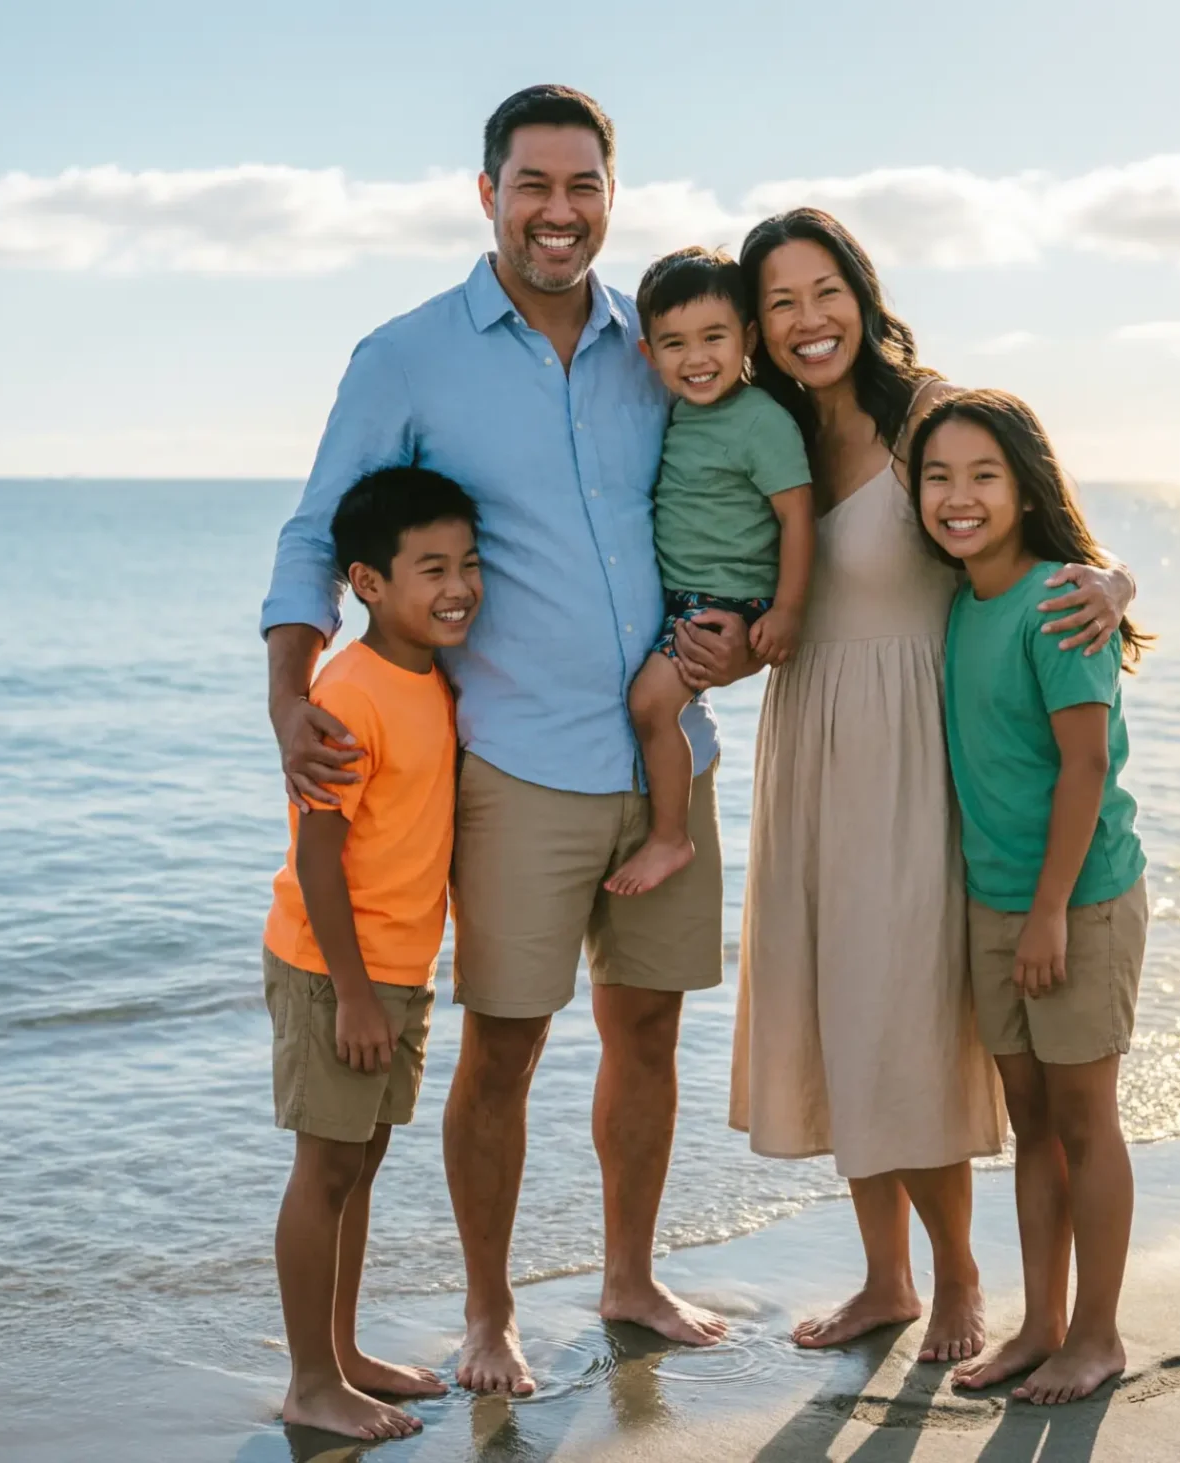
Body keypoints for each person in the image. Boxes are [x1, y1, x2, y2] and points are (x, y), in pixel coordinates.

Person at [260, 84, 753, 1396]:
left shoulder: (658, 347)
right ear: (487, 196)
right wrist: (287, 683)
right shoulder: (407, 356)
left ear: (611, 195)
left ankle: (631, 1277)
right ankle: (488, 1313)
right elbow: (317, 533)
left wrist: (744, 635)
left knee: (647, 1029)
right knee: (505, 1045)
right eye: (533, 184)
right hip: (515, 769)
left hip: (667, 761)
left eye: (583, 185)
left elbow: (750, 492)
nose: (559, 210)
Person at [726, 208, 1138, 1365]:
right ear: (757, 325)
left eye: (826, 291)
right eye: (780, 303)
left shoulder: (925, 416)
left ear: (861, 291)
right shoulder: (765, 435)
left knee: (905, 1010)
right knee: (836, 1001)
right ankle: (883, 1277)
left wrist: (1115, 579)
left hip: (919, 737)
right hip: (807, 734)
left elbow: (1032, 521)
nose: (809, 322)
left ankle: (959, 1277)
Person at [912, 390, 1152, 1404]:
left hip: (1078, 897)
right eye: (936, 477)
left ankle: (1096, 1333)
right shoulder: (961, 599)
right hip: (993, 898)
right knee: (1030, 1117)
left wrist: (1050, 908)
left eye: (982, 475)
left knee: (1085, 1117)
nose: (958, 497)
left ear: (1024, 486)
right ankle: (1040, 1324)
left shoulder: (1062, 599)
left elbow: (1085, 765)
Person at [263, 466, 483, 1441]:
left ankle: (343, 1352)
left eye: (469, 563)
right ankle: (310, 1378)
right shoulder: (347, 690)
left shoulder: (431, 676)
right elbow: (316, 856)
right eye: (430, 567)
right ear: (365, 580)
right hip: (333, 969)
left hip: (398, 968)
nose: (458, 586)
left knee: (360, 1161)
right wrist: (351, 994)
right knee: (325, 1169)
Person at [605, 246, 814, 898]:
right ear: (649, 355)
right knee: (652, 704)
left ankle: (672, 835)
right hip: (685, 596)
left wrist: (785, 612)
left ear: (747, 337)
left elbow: (798, 518)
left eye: (713, 338)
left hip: (722, 599)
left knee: (649, 704)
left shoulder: (760, 420)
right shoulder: (682, 414)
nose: (695, 358)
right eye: (674, 344)